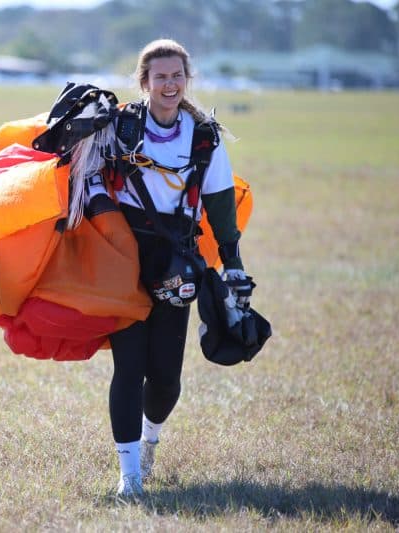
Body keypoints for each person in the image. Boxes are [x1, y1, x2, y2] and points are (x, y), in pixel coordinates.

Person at [81, 38, 252, 500]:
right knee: (129, 368)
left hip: (177, 262)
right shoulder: (117, 127)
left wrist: (233, 266)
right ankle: (129, 475)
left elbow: (219, 206)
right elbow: (82, 178)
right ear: (145, 82)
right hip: (124, 259)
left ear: (186, 79)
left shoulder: (203, 136)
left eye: (177, 75)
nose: (170, 84)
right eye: (161, 76)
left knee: (166, 378)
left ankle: (150, 438)